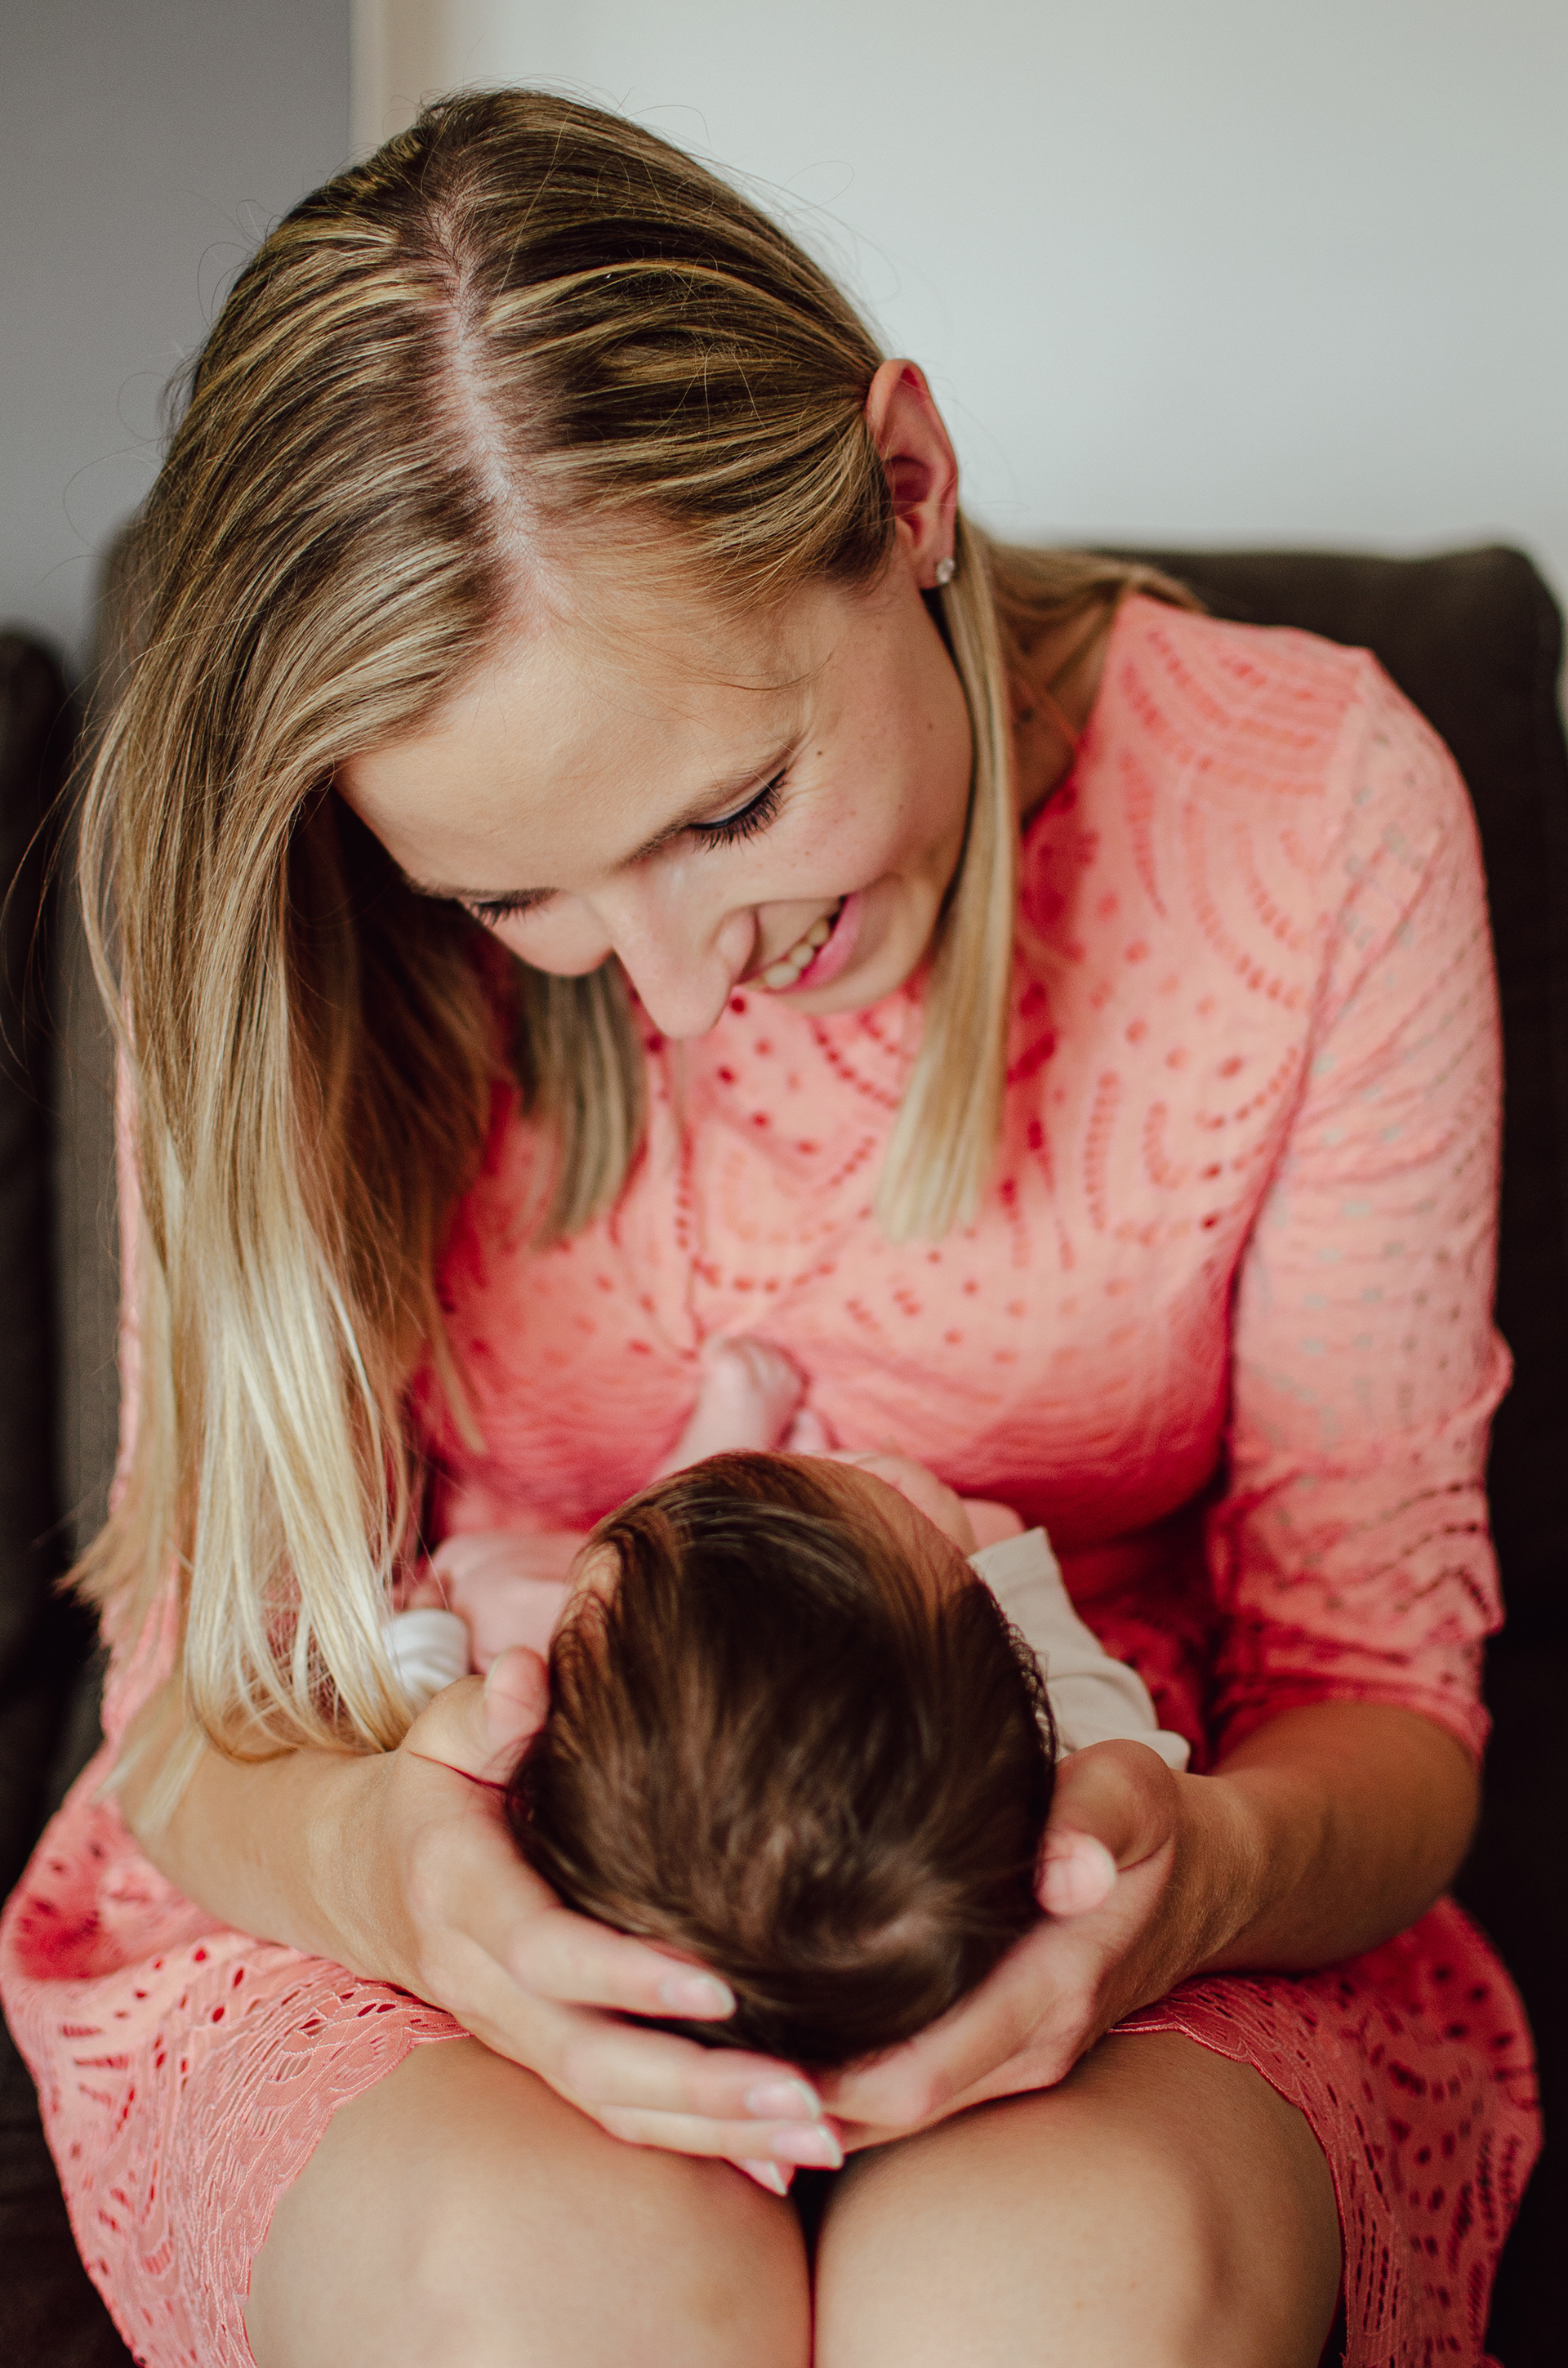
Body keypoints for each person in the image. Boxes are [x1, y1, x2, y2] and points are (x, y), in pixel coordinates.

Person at [0, 84, 1536, 2368]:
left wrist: (1180, 1878)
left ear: (905, 488)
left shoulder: (1312, 817)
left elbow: (1375, 1693)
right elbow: (203, 1712)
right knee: (554, 2304)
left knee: (1052, 2304)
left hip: (1108, 1857)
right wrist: (417, 1893)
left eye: (729, 807)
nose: (676, 992)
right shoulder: (293, 930)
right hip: (418, 1853)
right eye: (511, 898)